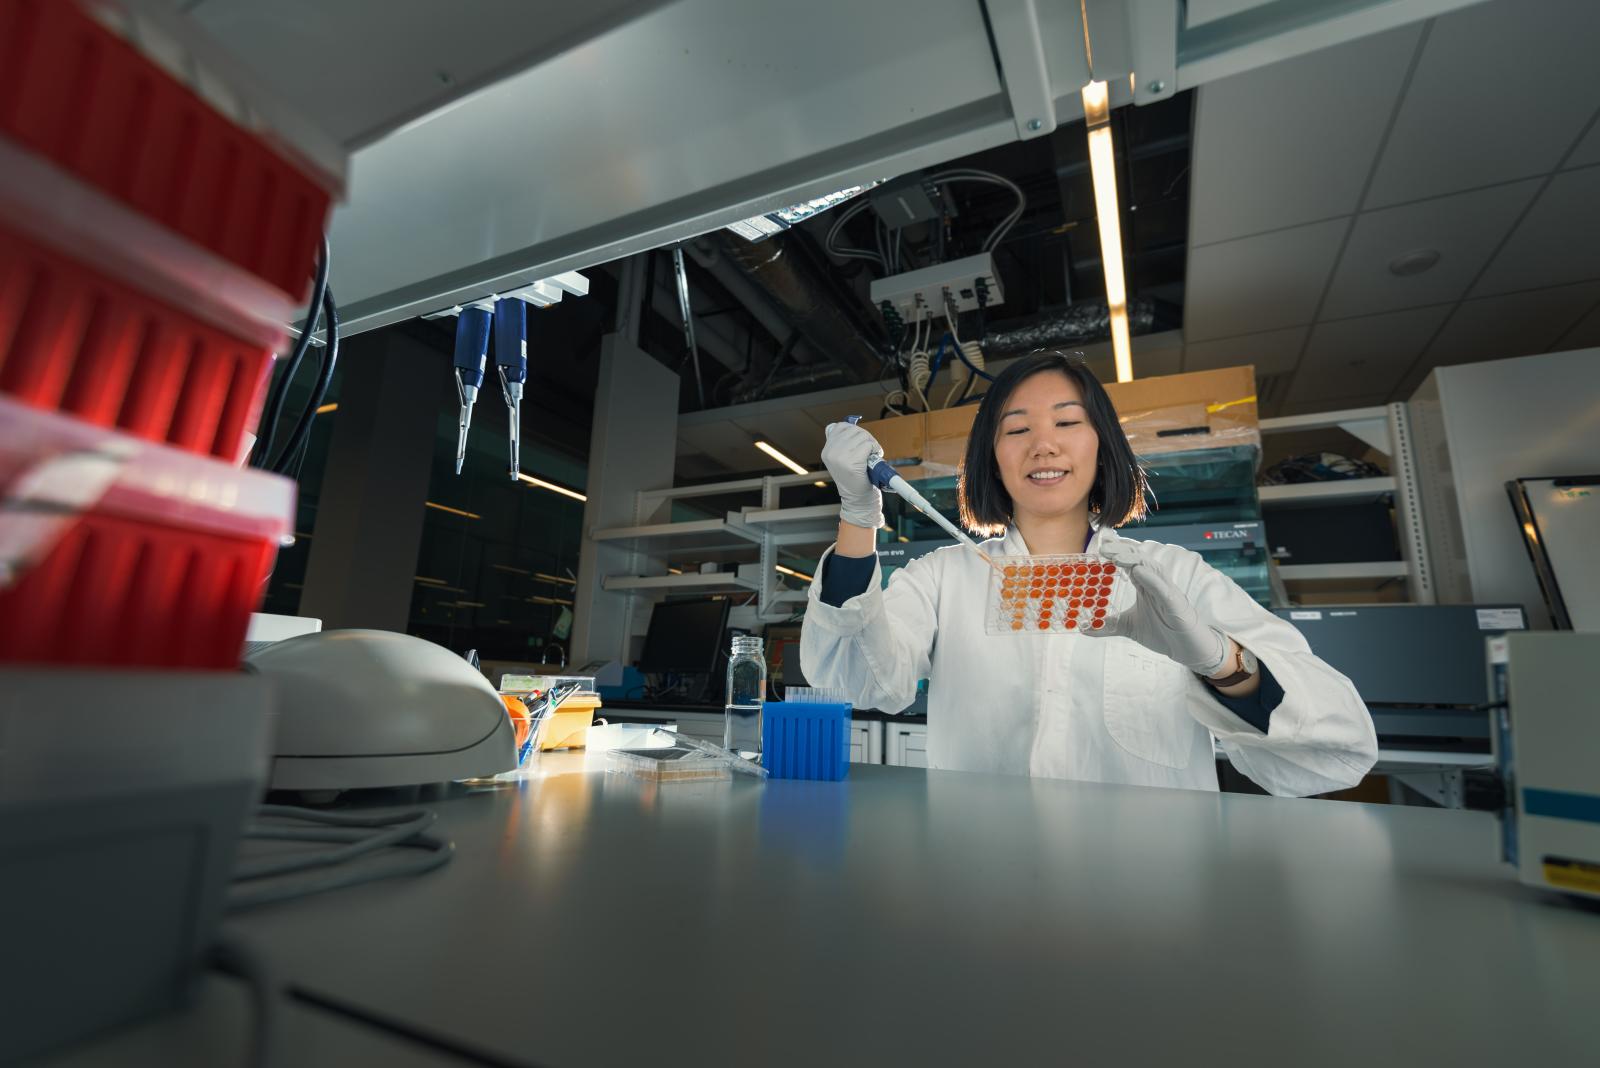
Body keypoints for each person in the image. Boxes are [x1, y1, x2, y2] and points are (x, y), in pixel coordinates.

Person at [799, 350, 1377, 796]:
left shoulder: (1177, 575)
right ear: (992, 459)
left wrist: (1219, 661)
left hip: (1144, 900)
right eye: (1017, 429)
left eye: (1068, 423)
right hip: (980, 886)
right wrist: (856, 517)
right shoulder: (946, 577)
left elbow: (1340, 749)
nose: (1043, 445)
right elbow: (859, 679)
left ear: (1102, 445)